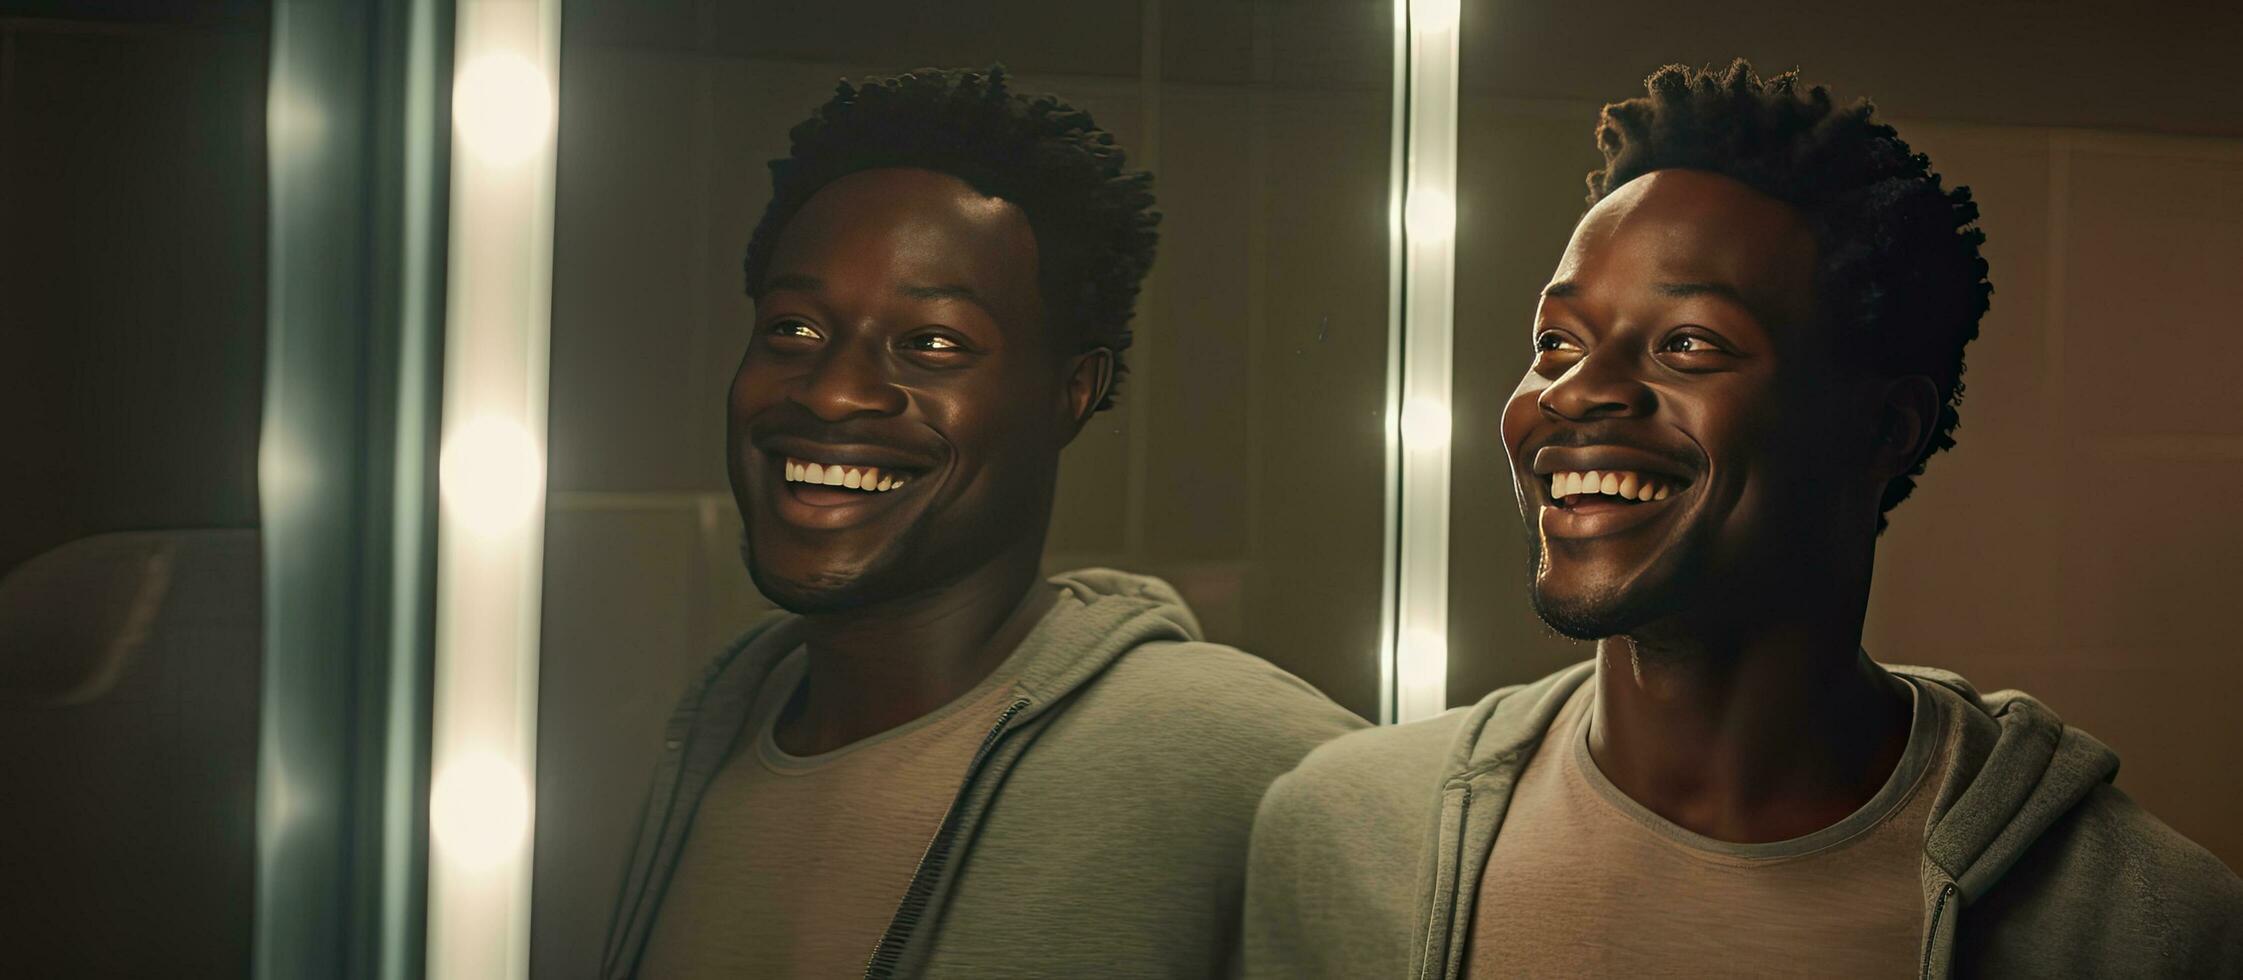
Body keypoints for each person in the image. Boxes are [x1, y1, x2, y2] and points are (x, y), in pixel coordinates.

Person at [1242, 60, 2243, 978]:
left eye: (1686, 342)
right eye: (1556, 339)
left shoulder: (2140, 925)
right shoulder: (1342, 838)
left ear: (1884, 424)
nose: (1578, 391)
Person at [599, 66, 1364, 979]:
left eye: (932, 344)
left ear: (1071, 394)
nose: (835, 390)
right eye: (794, 328)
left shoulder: (1247, 763)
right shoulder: (718, 737)